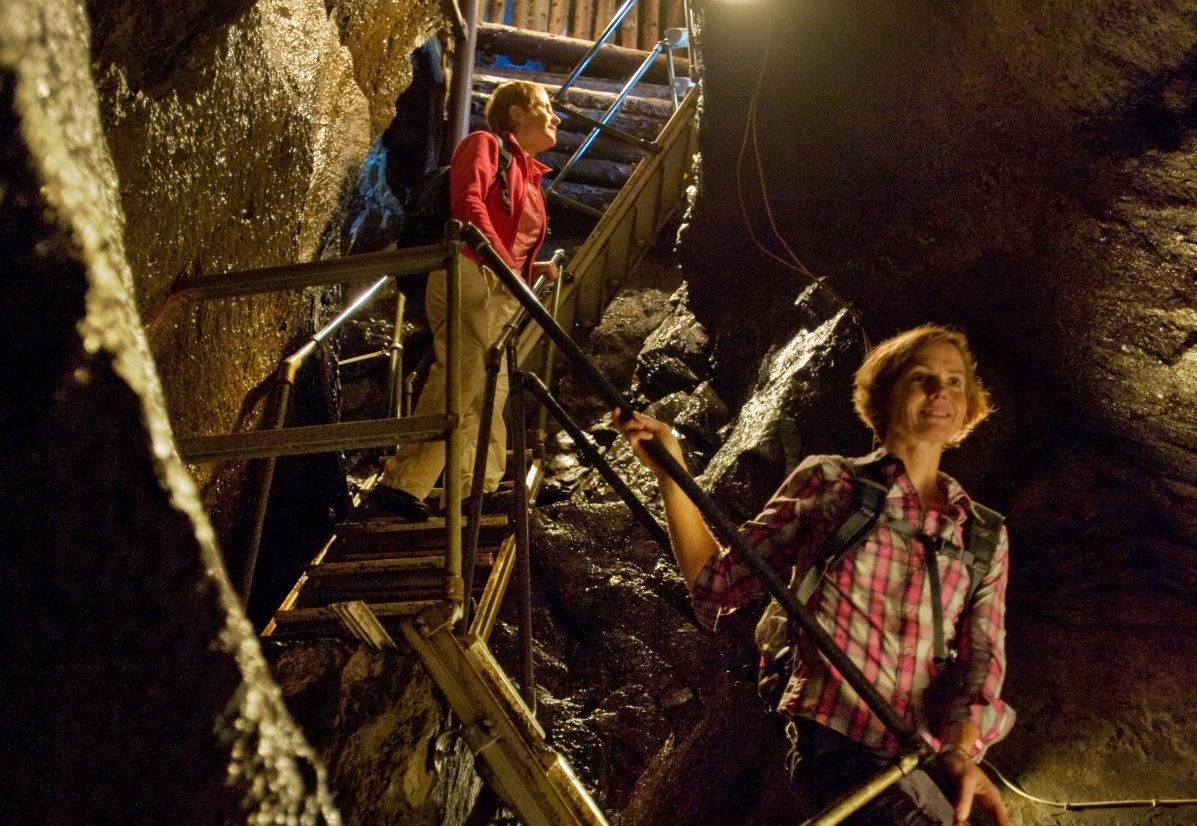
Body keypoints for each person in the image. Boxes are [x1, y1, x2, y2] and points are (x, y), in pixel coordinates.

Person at [614, 325, 1015, 826]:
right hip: (837, 750)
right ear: (886, 393)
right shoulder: (831, 484)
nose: (941, 393)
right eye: (922, 377)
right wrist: (671, 473)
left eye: (955, 382)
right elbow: (716, 585)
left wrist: (959, 751)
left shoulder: (982, 535)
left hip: (922, 764)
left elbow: (982, 662)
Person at [370, 81, 562, 521]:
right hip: (468, 267)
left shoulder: (529, 176)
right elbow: (468, 203)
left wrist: (532, 270)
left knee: (492, 388)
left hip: (501, 282)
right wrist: (504, 265)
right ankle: (403, 483)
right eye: (547, 106)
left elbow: (512, 242)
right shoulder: (484, 144)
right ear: (516, 112)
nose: (557, 117)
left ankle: (475, 486)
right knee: (464, 371)